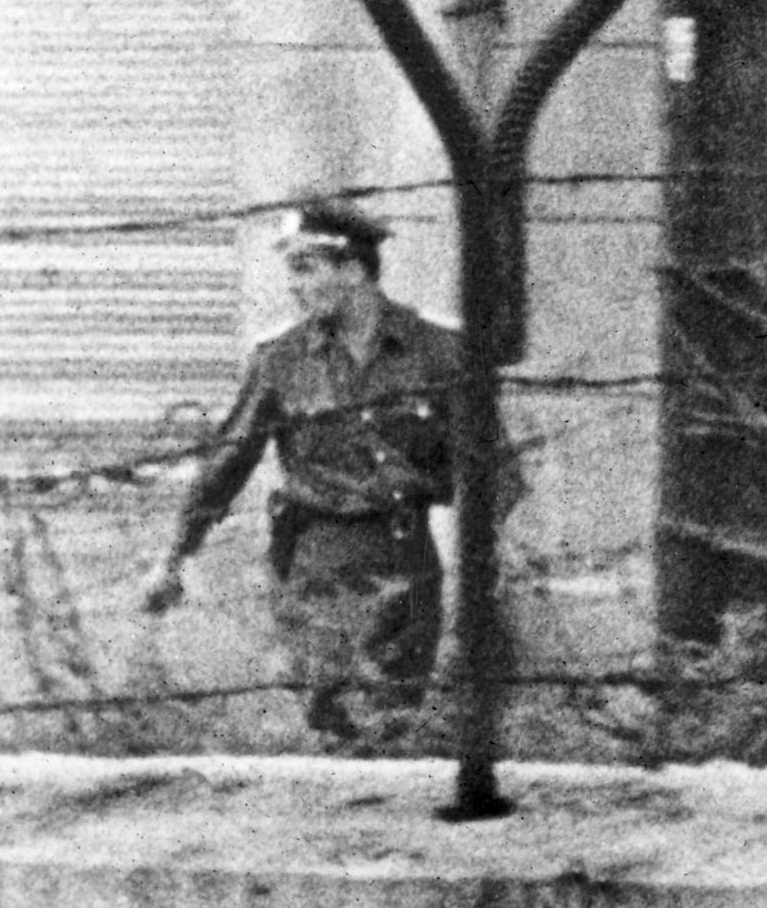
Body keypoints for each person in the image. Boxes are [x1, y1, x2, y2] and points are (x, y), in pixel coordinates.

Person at [140, 198, 516, 752]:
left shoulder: (439, 354)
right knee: (336, 724)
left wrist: (490, 566)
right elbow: (226, 465)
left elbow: (491, 470)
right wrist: (174, 555)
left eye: (304, 269)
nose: (292, 286)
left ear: (354, 269)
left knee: (395, 725)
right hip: (318, 562)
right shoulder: (280, 359)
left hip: (408, 557)